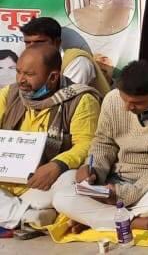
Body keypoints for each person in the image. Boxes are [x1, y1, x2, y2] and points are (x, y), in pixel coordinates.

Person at [54, 60, 148, 234]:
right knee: (61, 195)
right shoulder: (113, 99)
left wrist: (127, 193)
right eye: (124, 99)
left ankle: (97, 219)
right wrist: (93, 170)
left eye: (137, 103)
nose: (127, 107)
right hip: (111, 182)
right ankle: (142, 222)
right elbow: (103, 143)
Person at [0, 45, 100, 230]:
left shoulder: (80, 99)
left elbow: (89, 143)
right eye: (19, 72)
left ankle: (17, 214)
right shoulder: (10, 94)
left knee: (71, 179)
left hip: (43, 186)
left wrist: (57, 165)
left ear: (53, 77)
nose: (21, 80)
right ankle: (25, 215)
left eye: (29, 74)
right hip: (4, 183)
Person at [20, 17, 110, 96]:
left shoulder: (77, 62)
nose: (32, 47)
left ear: (57, 42)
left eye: (39, 42)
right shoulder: (27, 63)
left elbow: (66, 99)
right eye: (27, 42)